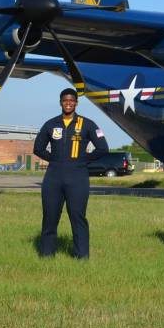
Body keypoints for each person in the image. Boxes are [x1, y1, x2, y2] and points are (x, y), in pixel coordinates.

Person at [33, 88, 109, 258]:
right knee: (50, 217)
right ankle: (46, 255)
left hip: (78, 177)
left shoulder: (87, 124)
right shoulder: (51, 124)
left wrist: (83, 159)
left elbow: (103, 148)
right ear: (60, 102)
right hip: (53, 177)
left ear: (76, 102)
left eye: (71, 100)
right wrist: (54, 158)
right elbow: (37, 148)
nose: (68, 103)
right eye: (65, 100)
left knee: (77, 217)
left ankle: (82, 257)